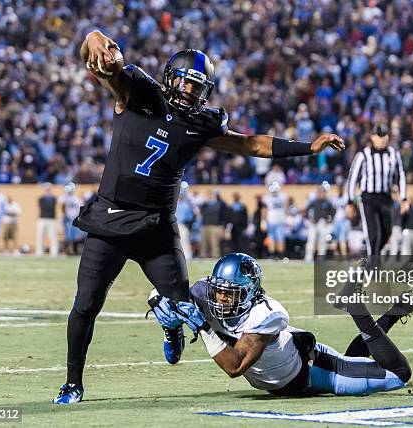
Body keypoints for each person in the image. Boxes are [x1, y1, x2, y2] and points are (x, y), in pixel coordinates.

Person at [53, 30, 344, 404]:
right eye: (186, 83)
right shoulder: (139, 92)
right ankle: (73, 382)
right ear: (170, 78)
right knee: (86, 304)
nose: (190, 92)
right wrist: (95, 41)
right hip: (110, 219)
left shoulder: (203, 123)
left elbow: (250, 144)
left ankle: (171, 327)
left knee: (182, 302)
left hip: (156, 227)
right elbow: (103, 61)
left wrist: (308, 147)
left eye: (198, 86)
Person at [150, 253, 413, 397]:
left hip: (312, 373)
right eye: (219, 290)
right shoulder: (202, 294)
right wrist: (168, 319)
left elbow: (235, 366)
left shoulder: (267, 314)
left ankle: (357, 306)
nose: (221, 297)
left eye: (230, 293)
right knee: (353, 361)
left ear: (250, 291)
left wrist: (203, 329)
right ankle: (394, 311)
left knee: (398, 375)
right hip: (295, 360)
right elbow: (161, 300)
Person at [346, 123, 408, 257]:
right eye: (379, 136)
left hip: (386, 198)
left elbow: (401, 175)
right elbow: (352, 179)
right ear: (372, 137)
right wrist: (350, 202)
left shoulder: (393, 154)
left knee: (387, 232)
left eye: (385, 135)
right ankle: (373, 266)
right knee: (373, 234)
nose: (383, 139)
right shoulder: (363, 155)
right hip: (368, 198)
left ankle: (369, 261)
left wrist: (404, 198)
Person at [304, 184, 336, 261]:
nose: (321, 193)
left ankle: (321, 257)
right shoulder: (314, 201)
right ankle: (309, 257)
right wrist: (310, 219)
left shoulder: (327, 202)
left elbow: (333, 212)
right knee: (311, 240)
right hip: (314, 224)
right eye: (320, 192)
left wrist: (329, 219)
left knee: (322, 241)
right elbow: (306, 211)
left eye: (322, 192)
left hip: (323, 224)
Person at [199, 190, 228, 258]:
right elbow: (201, 212)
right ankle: (203, 255)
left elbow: (224, 215)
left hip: (215, 226)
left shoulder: (221, 204)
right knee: (204, 243)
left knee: (214, 243)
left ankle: (215, 255)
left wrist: (223, 226)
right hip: (205, 225)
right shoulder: (205, 204)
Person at [262, 182, 287, 258]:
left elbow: (264, 210)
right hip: (273, 220)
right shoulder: (283, 196)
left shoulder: (282, 196)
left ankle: (278, 255)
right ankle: (276, 255)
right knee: (273, 239)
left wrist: (263, 220)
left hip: (277, 220)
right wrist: (263, 220)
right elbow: (264, 210)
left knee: (278, 239)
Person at [59, 182, 83, 255]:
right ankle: (68, 251)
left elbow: (79, 208)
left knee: (74, 236)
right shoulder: (64, 197)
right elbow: (62, 205)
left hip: (74, 218)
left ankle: (74, 250)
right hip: (67, 218)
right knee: (68, 235)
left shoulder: (76, 199)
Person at [36, 182, 58, 257]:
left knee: (53, 236)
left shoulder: (54, 198)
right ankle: (39, 252)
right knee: (40, 236)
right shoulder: (41, 198)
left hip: (52, 219)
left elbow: (51, 206)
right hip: (42, 218)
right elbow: (42, 206)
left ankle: (54, 252)